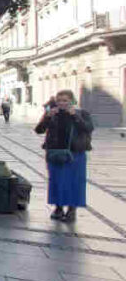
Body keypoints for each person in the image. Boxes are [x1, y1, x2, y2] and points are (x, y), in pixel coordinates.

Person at [35, 89, 93, 222]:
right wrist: (47, 116)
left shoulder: (81, 113)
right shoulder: (52, 114)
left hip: (75, 154)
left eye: (65, 100)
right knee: (56, 181)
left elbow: (88, 128)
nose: (62, 103)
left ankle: (72, 210)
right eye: (59, 101)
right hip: (55, 154)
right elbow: (39, 130)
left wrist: (75, 116)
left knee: (74, 182)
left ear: (72, 101)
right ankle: (58, 208)